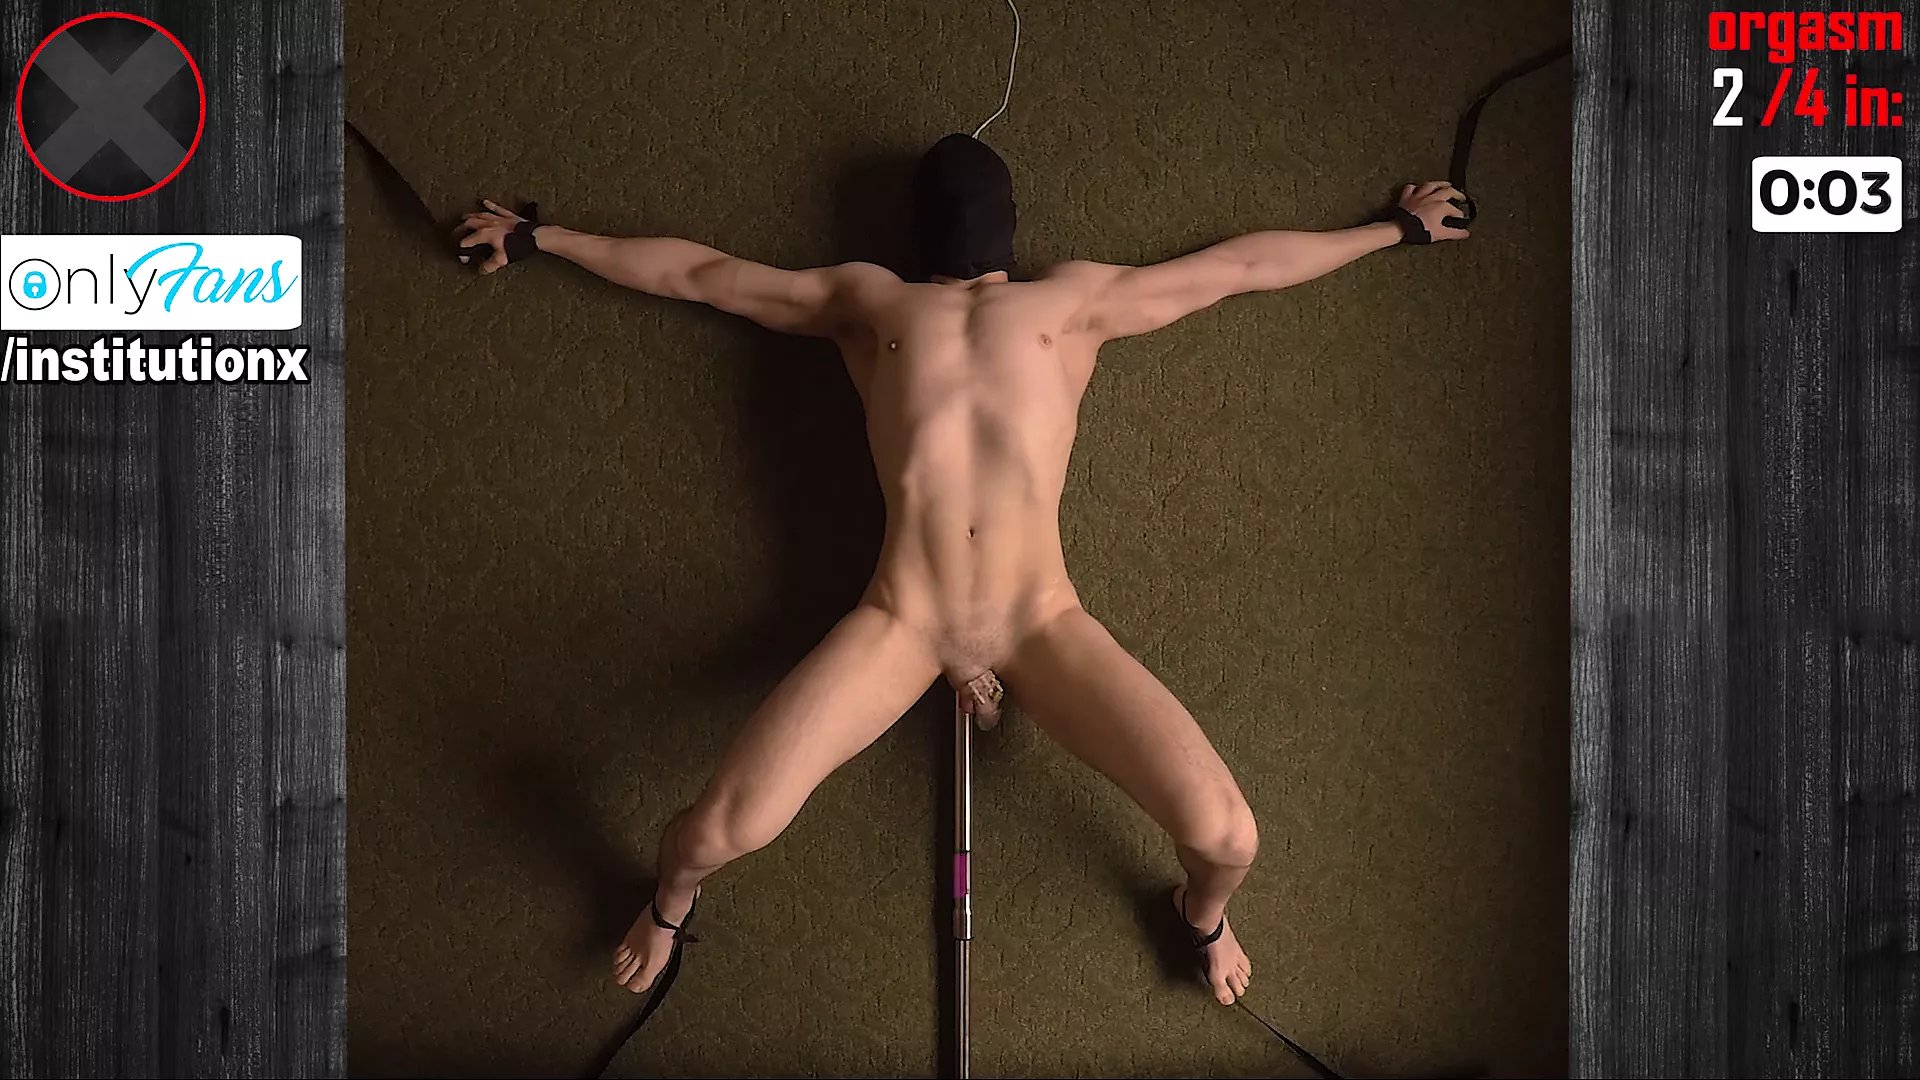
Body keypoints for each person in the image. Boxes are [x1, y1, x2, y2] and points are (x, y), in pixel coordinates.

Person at [455, 132, 1469, 1008]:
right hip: (903, 619)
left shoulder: (1075, 299)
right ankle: (672, 905)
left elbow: (1238, 267)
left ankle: (1199, 916)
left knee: (1230, 838)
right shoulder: (869, 299)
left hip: (1041, 620)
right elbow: (705, 275)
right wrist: (545, 236)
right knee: (720, 831)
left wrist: (1395, 229)